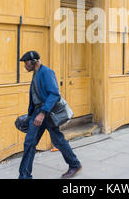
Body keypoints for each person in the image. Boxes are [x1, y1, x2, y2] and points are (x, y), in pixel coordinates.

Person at [18, 50, 82, 179]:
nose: (25, 66)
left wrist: (42, 113)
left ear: (34, 61)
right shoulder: (36, 73)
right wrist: (32, 114)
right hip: (39, 113)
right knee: (31, 143)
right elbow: (35, 95)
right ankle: (24, 176)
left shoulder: (46, 72)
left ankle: (74, 164)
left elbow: (54, 94)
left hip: (46, 113)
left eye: (26, 63)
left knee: (56, 140)